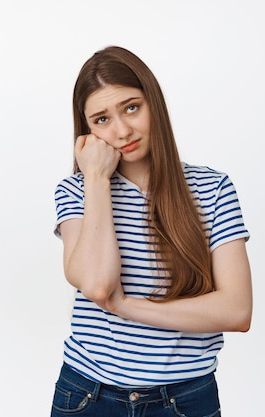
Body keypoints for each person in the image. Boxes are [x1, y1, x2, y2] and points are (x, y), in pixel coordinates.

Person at [50, 45, 252, 417]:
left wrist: (126, 306)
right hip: (87, 397)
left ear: (152, 103)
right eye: (101, 120)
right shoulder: (77, 193)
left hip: (185, 401)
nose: (122, 130)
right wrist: (96, 178)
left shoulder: (213, 188)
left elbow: (237, 310)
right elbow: (97, 285)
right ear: (87, 131)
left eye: (131, 107)